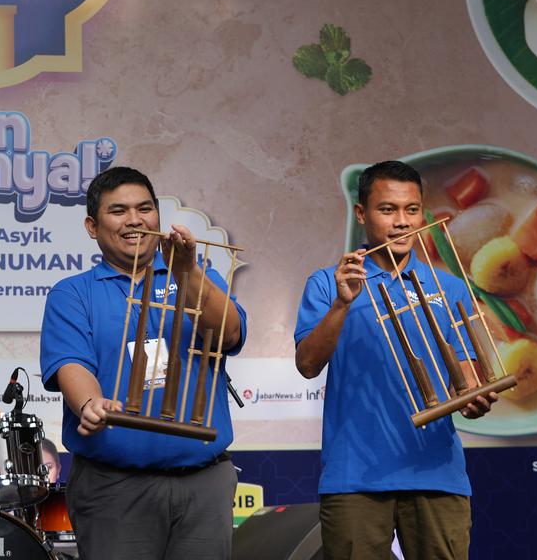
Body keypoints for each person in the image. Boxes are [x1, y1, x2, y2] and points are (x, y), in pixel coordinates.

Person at [40, 166, 246, 560]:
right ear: (92, 226)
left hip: (204, 482)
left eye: (145, 208)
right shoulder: (73, 293)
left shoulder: (200, 277)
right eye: (118, 211)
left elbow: (230, 333)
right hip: (114, 486)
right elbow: (70, 363)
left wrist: (187, 273)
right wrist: (89, 403)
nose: (135, 220)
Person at [294, 160, 498, 560]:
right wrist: (342, 303)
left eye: (411, 209)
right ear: (361, 214)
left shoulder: (451, 287)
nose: (402, 222)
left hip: (437, 474)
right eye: (387, 210)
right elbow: (307, 365)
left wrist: (477, 401)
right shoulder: (327, 283)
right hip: (355, 476)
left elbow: (471, 383)